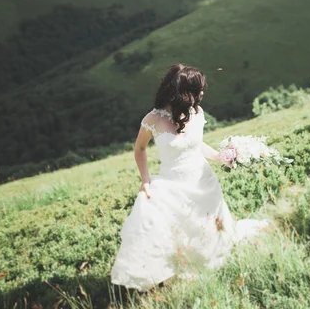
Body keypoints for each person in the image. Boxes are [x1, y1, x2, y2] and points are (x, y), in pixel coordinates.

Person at [111, 63, 268, 290]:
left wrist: (219, 156)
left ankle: (210, 260)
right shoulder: (152, 120)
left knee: (210, 226)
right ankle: (179, 267)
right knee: (178, 229)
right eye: (197, 91)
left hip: (203, 181)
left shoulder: (196, 113)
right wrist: (146, 180)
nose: (201, 95)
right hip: (173, 185)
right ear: (181, 92)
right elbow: (140, 149)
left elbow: (194, 145)